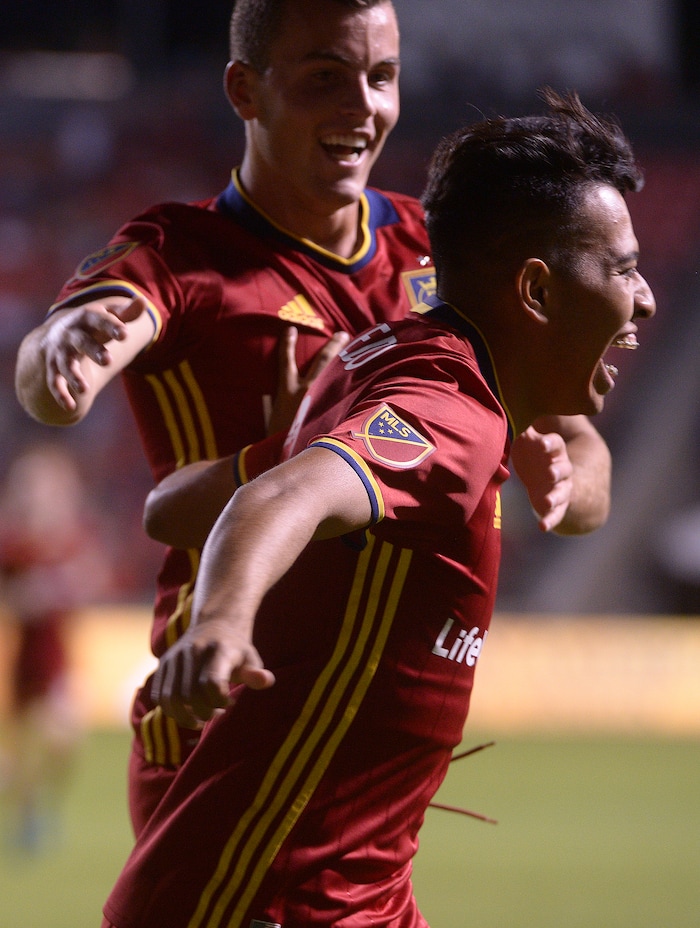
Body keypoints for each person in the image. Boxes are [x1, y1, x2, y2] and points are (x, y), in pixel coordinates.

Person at [14, 0, 611, 838]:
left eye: (382, 77)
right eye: (326, 78)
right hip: (225, 717)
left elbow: (585, 460)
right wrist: (60, 350)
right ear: (246, 89)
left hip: (370, 740)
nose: (361, 107)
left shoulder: (439, 252)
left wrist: (564, 479)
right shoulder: (180, 255)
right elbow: (61, 362)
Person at [98, 89, 655, 928]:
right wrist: (222, 621)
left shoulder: (386, 355)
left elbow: (173, 507)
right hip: (262, 899)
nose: (645, 298)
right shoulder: (449, 414)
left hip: (360, 894)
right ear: (536, 291)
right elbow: (285, 492)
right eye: (621, 268)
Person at [0, 444, 112, 852]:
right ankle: (29, 811)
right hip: (23, 661)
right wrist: (24, 597)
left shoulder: (70, 538)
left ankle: (38, 805)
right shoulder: (13, 541)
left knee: (64, 735)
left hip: (58, 659)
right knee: (22, 753)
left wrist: (67, 584)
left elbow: (94, 577)